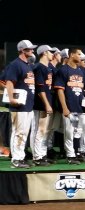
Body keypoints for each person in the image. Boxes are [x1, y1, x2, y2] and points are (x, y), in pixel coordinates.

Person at [54, 48, 85, 164]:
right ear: (71, 55)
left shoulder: (81, 71)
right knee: (69, 132)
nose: (81, 56)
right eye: (79, 54)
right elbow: (60, 91)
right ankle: (70, 155)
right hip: (70, 107)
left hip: (81, 107)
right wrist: (64, 108)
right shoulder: (63, 70)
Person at [4, 40, 37, 168]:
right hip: (19, 105)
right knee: (18, 132)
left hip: (27, 105)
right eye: (30, 49)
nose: (33, 51)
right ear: (23, 50)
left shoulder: (27, 65)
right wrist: (11, 98)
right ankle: (16, 159)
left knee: (23, 133)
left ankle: (20, 157)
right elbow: (9, 82)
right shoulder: (15, 64)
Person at [31, 45, 58, 166]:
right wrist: (47, 104)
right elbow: (40, 89)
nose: (52, 54)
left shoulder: (47, 68)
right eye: (50, 52)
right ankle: (37, 157)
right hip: (39, 104)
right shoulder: (39, 67)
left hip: (46, 102)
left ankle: (41, 154)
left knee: (43, 130)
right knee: (38, 130)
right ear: (44, 53)